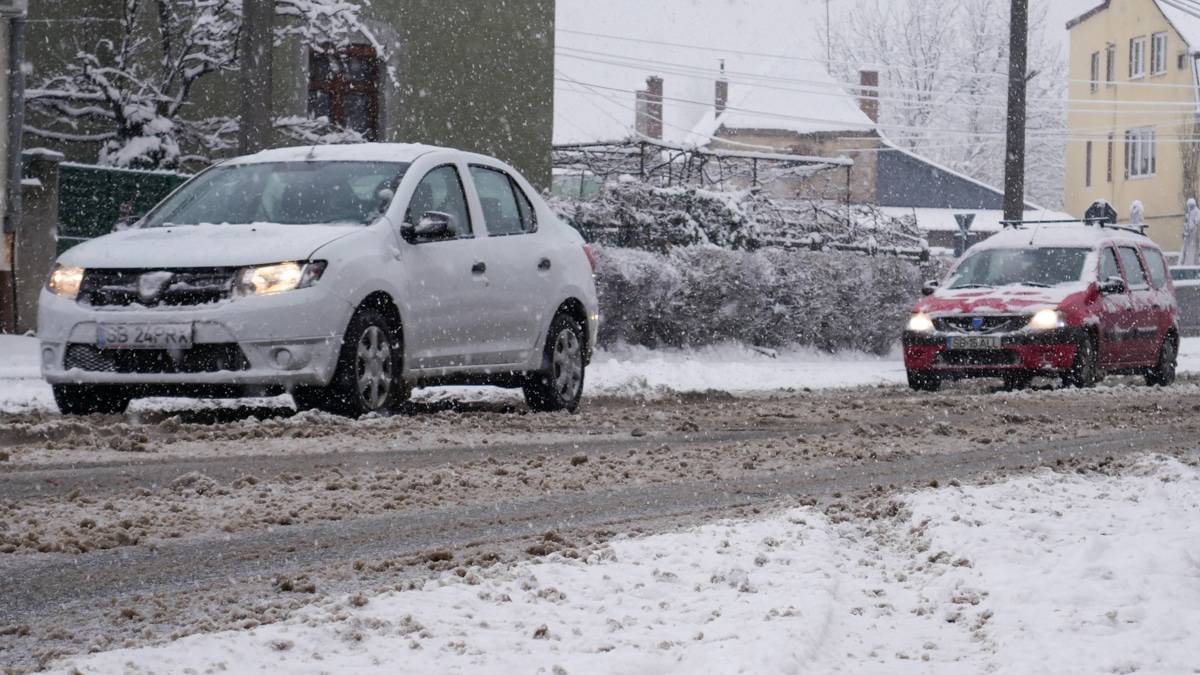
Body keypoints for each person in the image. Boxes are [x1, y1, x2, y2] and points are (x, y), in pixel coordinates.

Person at [1183, 198, 1200, 266]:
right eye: (1189, 205)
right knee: (1187, 247)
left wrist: (1193, 223)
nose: (1190, 206)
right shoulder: (1189, 211)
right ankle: (1186, 261)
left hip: (1193, 231)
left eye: (1191, 205)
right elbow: (1187, 220)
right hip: (1188, 231)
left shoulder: (1197, 211)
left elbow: (1197, 220)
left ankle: (1193, 262)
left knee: (1193, 246)